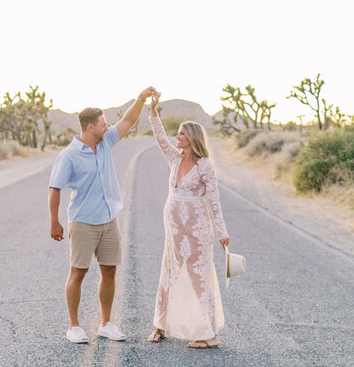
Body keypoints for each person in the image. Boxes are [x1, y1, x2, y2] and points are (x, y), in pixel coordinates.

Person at [49, 86, 157, 344]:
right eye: (103, 124)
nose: (107, 128)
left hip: (109, 220)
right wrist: (54, 222)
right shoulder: (69, 156)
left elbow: (128, 120)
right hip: (83, 221)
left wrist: (141, 99)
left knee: (109, 271)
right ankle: (74, 326)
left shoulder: (106, 142)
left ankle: (105, 324)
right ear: (89, 128)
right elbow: (54, 189)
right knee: (78, 272)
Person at [147, 92, 229, 349]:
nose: (177, 137)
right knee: (169, 271)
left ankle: (209, 334)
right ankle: (160, 326)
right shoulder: (175, 159)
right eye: (178, 133)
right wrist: (153, 111)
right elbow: (160, 138)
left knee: (197, 275)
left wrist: (222, 232)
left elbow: (214, 201)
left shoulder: (205, 165)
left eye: (181, 133)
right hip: (173, 228)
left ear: (192, 137)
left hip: (197, 228)